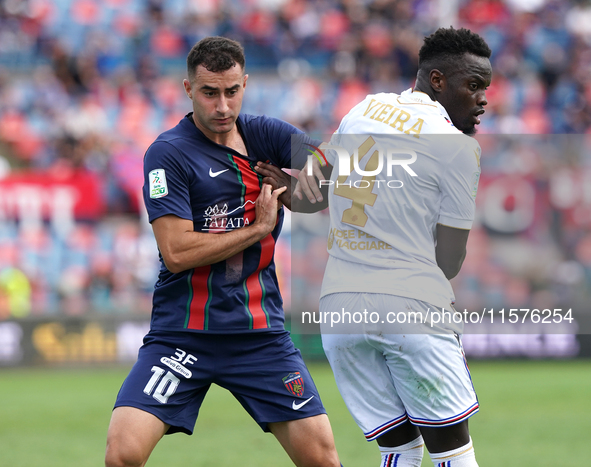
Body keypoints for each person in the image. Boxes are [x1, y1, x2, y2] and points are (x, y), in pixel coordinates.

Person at [104, 36, 341, 467]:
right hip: (182, 335)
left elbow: (330, 182)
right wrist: (259, 228)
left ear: (245, 84)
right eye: (210, 93)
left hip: (259, 336)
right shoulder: (168, 154)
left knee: (323, 460)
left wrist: (297, 195)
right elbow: (176, 252)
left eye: (232, 91)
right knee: (122, 455)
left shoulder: (266, 134)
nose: (222, 106)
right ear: (188, 89)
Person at [281, 26, 492, 467]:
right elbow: (448, 261)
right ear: (437, 81)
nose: (482, 99)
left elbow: (311, 194)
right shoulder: (457, 148)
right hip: (411, 308)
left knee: (399, 450)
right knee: (453, 453)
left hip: (340, 311)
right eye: (473, 86)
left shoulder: (363, 109)